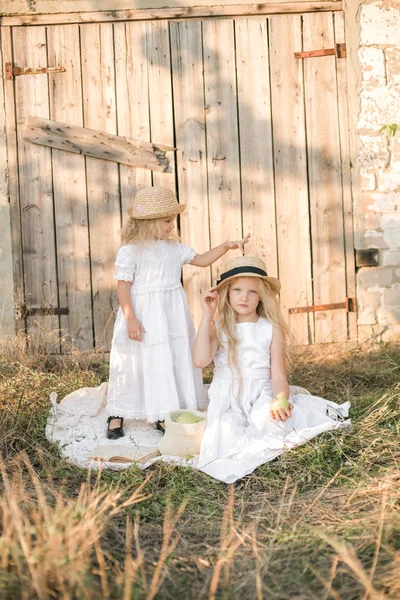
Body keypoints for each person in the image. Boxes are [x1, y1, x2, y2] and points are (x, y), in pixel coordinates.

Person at [106, 187, 250, 439]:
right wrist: (130, 317)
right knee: (134, 362)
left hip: (170, 315)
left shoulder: (174, 249)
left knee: (166, 359)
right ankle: (117, 411)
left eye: (172, 220)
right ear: (149, 223)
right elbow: (123, 286)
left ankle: (163, 410)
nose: (172, 225)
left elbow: (203, 259)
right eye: (166, 221)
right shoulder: (131, 251)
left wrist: (227, 245)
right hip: (142, 314)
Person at [192, 256, 350, 483]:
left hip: (262, 391)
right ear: (226, 293)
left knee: (273, 423)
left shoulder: (270, 328)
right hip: (227, 395)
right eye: (237, 290)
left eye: (252, 292)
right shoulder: (220, 327)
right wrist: (207, 315)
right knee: (224, 437)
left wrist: (280, 397)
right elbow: (199, 361)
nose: (244, 297)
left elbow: (277, 375)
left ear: (261, 296)